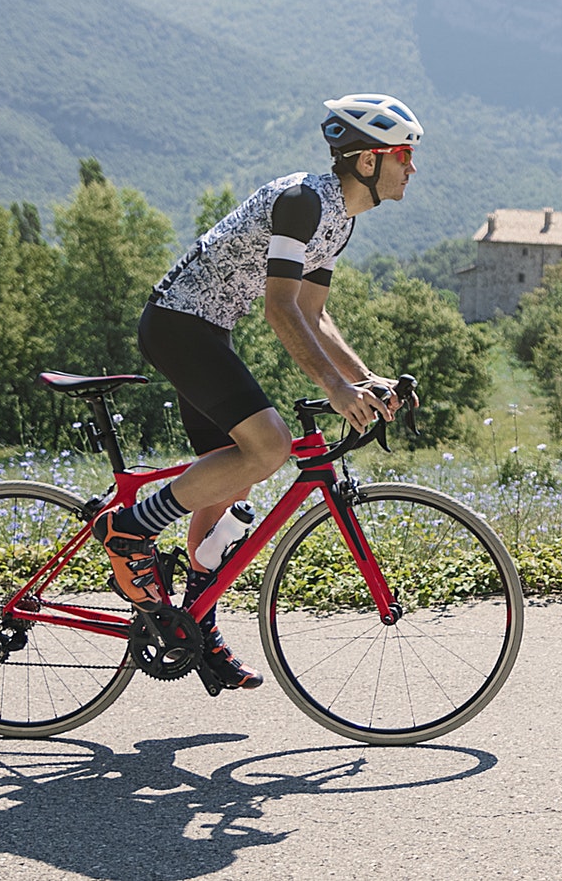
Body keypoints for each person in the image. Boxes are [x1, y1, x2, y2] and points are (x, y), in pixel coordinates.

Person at [92, 93, 422, 691]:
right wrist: (335, 386)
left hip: (208, 331)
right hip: (178, 324)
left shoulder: (339, 221)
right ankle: (132, 528)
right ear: (368, 161)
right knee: (269, 448)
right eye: (403, 152)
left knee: (232, 483)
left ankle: (194, 627)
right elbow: (278, 308)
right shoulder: (303, 203)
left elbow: (314, 315)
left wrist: (365, 378)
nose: (412, 166)